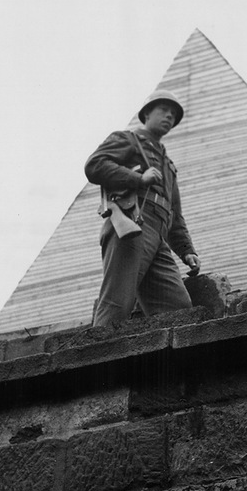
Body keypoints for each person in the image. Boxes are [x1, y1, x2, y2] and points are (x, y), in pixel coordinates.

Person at [85, 89, 201, 327]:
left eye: (174, 114)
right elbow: (94, 165)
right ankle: (98, 355)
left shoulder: (168, 165)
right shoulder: (129, 140)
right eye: (164, 110)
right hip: (133, 224)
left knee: (177, 308)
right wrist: (137, 179)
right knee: (117, 301)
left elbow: (174, 212)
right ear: (147, 113)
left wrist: (187, 250)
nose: (169, 117)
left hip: (159, 234)